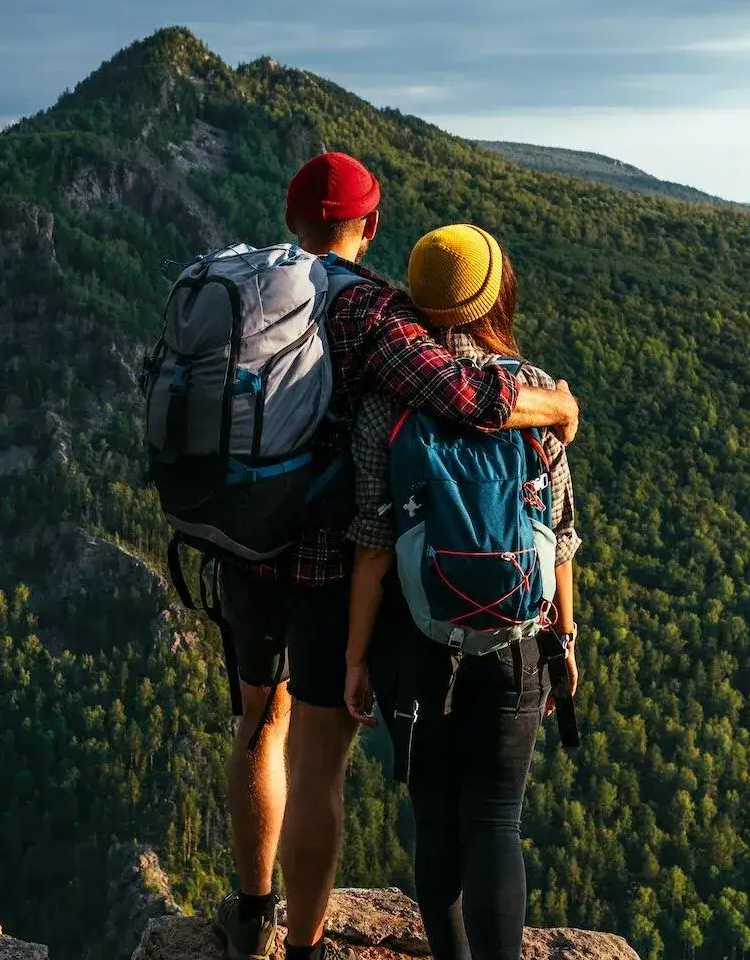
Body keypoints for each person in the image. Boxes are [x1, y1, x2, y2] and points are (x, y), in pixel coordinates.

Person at [213, 157, 581, 960]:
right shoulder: (370, 311)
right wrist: (556, 404)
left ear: (291, 220)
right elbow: (467, 399)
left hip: (238, 547)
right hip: (321, 568)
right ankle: (304, 946)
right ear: (371, 225)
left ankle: (249, 912)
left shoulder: (249, 287)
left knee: (254, 723)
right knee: (317, 765)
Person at [342, 224, 582, 960]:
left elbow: (375, 547)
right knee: (497, 822)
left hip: (417, 640)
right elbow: (562, 532)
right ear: (495, 296)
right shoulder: (534, 391)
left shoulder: (389, 402)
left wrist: (356, 659)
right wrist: (564, 641)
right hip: (517, 641)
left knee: (436, 817)